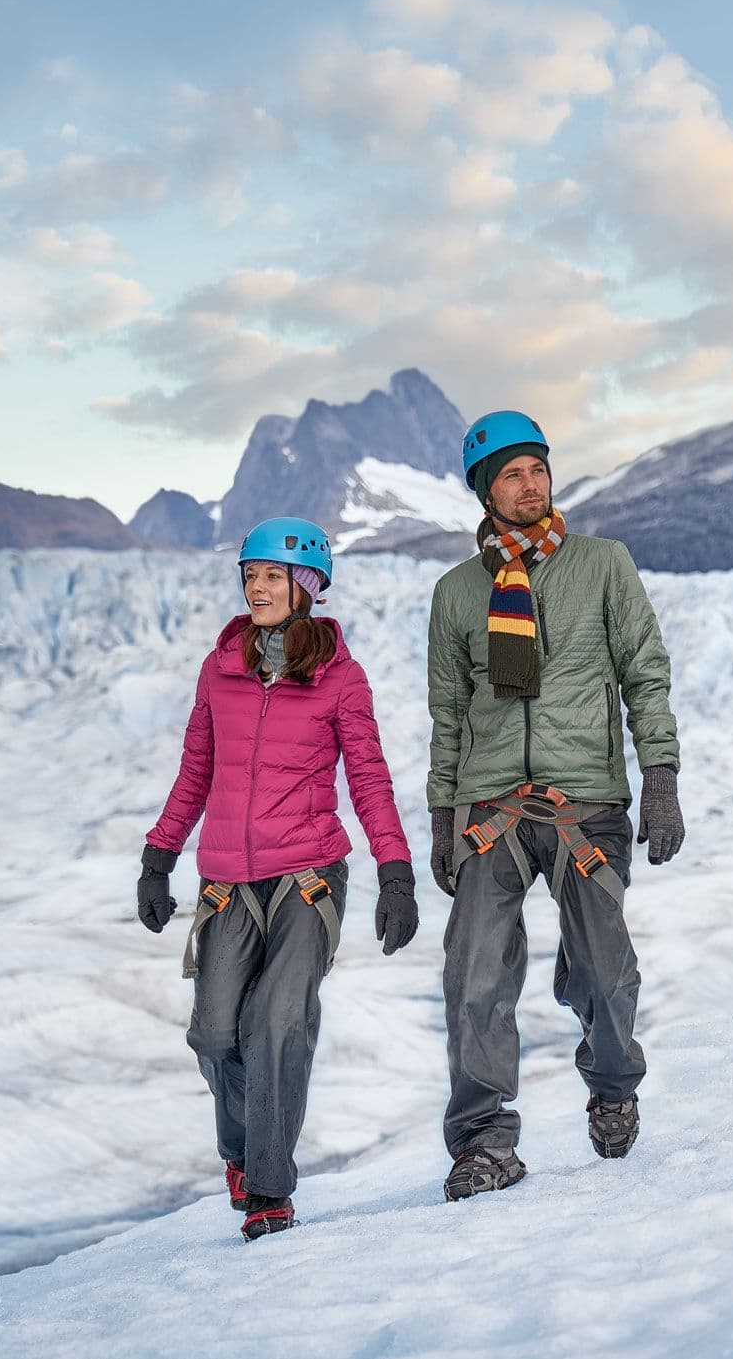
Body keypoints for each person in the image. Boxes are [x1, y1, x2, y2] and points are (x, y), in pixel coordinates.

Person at [426, 411, 684, 1202]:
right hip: (490, 805)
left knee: (605, 973)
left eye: (536, 467)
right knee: (472, 975)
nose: (530, 482)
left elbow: (644, 671)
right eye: (510, 473)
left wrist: (662, 777)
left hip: (586, 800)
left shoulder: (604, 565)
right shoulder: (456, 593)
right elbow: (447, 712)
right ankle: (483, 1144)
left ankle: (612, 1084)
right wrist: (443, 815)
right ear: (484, 490)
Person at [137, 516, 418, 1240]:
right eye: (250, 575)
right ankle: (241, 1148)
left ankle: (269, 1188)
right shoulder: (219, 668)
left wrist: (394, 871)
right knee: (212, 1034)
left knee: (274, 1024)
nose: (257, 587)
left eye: (273, 575)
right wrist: (158, 854)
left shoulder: (340, 679)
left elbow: (369, 778)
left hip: (308, 876)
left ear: (308, 587)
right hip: (228, 878)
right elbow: (196, 770)